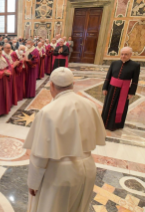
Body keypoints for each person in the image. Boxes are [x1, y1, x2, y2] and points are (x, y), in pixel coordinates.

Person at [24, 67, 106, 212]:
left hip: (60, 175)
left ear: (52, 85)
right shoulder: (90, 105)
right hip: (88, 168)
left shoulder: (48, 112)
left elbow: (40, 155)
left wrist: (33, 182)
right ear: (73, 84)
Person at [102, 47, 140, 131]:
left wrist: (131, 92)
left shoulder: (135, 65)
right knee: (107, 105)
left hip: (124, 90)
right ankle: (104, 123)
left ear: (130, 55)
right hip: (111, 88)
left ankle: (115, 125)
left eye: (126, 54)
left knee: (119, 107)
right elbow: (108, 77)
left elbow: (135, 81)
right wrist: (105, 88)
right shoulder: (114, 63)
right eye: (122, 54)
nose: (123, 56)